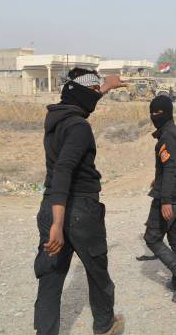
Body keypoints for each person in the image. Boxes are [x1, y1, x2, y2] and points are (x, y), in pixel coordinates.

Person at [34, 68, 125, 335]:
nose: (97, 95)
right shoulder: (79, 127)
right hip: (78, 211)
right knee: (98, 275)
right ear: (84, 94)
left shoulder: (56, 119)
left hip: (50, 205)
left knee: (50, 280)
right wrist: (58, 225)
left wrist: (107, 86)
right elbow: (63, 170)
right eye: (95, 91)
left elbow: (84, 95)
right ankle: (105, 326)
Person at [144, 95, 176, 303]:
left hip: (171, 199)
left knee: (152, 238)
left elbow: (171, 168)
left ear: (166, 112)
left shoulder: (167, 136)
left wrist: (165, 199)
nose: (153, 116)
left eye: (157, 112)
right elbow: (171, 167)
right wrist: (156, 180)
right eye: (152, 112)